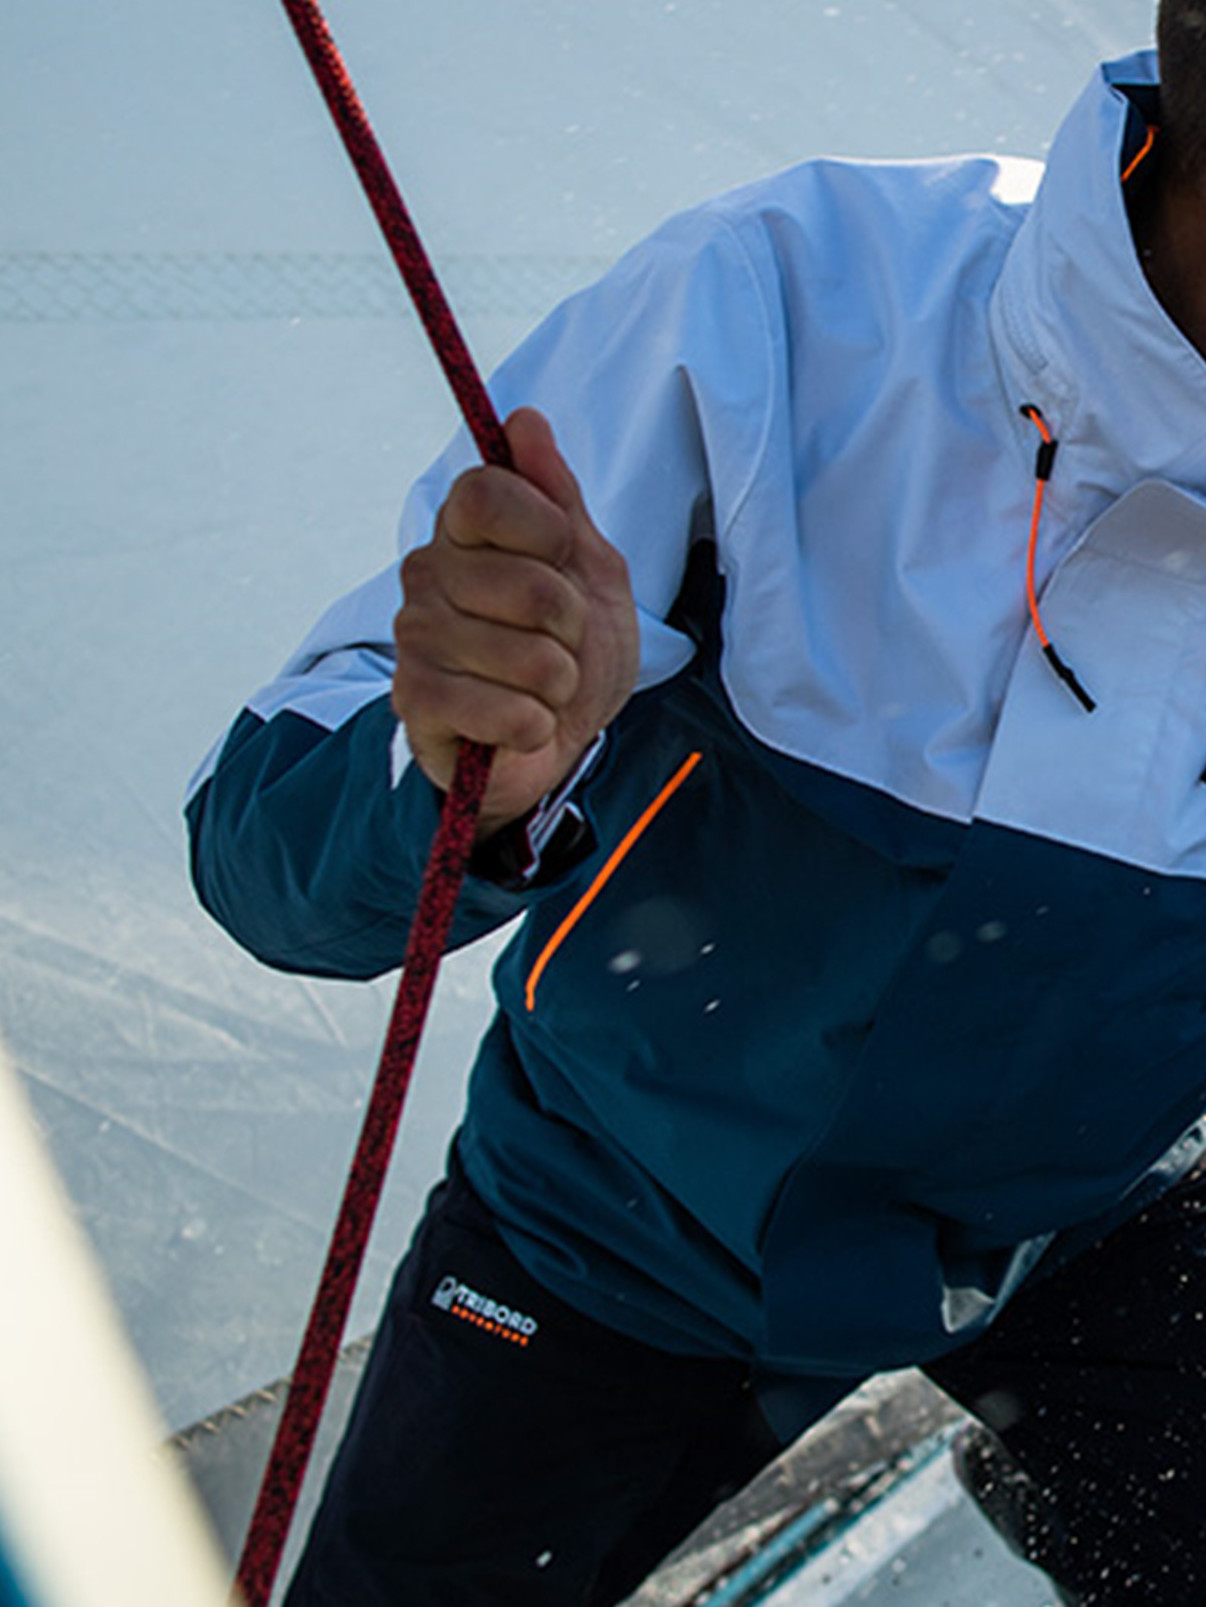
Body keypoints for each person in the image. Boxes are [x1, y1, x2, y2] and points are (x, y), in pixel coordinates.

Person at [186, 7, 1206, 1603]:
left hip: (1093, 1232)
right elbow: (262, 855)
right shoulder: (788, 299)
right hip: (606, 1238)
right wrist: (477, 769)